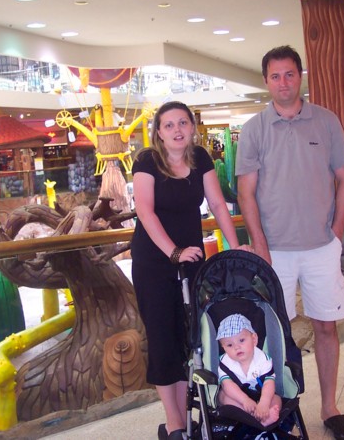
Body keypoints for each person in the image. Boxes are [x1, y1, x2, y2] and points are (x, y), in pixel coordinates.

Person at [236, 45, 344, 440]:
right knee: (274, 335)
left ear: (300, 76)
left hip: (321, 246)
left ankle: (330, 407)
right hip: (275, 252)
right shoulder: (254, 129)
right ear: (266, 81)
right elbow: (246, 194)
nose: (283, 82)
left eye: (289, 74)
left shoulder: (325, 121)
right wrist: (260, 246)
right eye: (275, 76)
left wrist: (336, 231)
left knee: (326, 326)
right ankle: (280, 412)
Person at [130, 101, 249, 440]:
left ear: (192, 127)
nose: (177, 130)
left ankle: (187, 414)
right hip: (155, 262)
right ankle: (175, 423)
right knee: (163, 339)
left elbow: (217, 204)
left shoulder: (200, 159)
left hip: (192, 259)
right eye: (169, 125)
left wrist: (234, 245)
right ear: (159, 132)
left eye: (183, 123)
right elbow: (145, 211)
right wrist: (174, 252)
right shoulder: (147, 161)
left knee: (190, 339)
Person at [216, 314, 282, 426]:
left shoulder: (263, 359)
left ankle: (265, 416)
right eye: (230, 345)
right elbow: (228, 385)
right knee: (223, 396)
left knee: (276, 398)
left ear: (254, 339)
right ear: (224, 348)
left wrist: (264, 402)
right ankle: (252, 417)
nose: (236, 347)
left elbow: (269, 383)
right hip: (238, 398)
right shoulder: (224, 363)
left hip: (261, 394)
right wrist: (244, 400)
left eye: (241, 340)